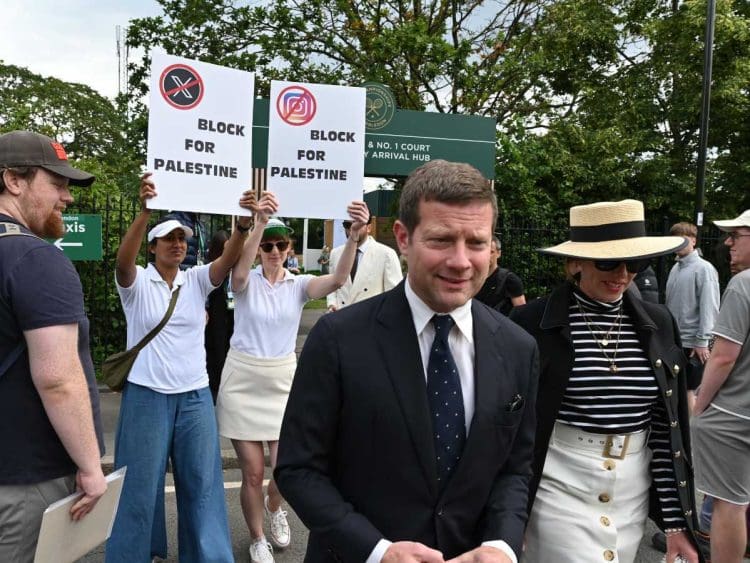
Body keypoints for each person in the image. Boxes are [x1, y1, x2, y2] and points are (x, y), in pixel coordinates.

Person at [276, 159, 539, 562]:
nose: (461, 260)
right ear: (403, 237)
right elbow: (298, 470)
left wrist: (500, 545)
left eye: (476, 242)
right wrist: (378, 551)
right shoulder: (338, 340)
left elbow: (514, 469)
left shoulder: (519, 347)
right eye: (441, 240)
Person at [510, 199, 702, 563]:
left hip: (632, 490)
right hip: (557, 486)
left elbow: (665, 429)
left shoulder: (659, 323)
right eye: (608, 262)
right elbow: (511, 427)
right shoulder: (532, 324)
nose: (623, 275)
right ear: (574, 263)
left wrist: (676, 525)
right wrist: (506, 519)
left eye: (634, 263)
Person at [105, 173, 256, 562]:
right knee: (138, 487)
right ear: (152, 246)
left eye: (182, 239)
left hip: (194, 398)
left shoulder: (195, 281)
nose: (177, 244)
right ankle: (134, 555)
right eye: (168, 238)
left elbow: (226, 261)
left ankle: (208, 557)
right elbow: (123, 261)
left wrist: (240, 227)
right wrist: (144, 213)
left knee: (203, 485)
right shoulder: (136, 282)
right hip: (146, 396)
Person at [216, 193, 369, 563]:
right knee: (251, 472)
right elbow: (236, 272)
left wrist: (352, 237)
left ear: (289, 249)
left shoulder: (298, 285)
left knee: (284, 470)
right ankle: (256, 538)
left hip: (283, 380)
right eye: (267, 245)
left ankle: (274, 506)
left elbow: (338, 280)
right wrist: (261, 222)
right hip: (243, 378)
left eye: (279, 245)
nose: (272, 250)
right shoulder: (245, 281)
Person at [0, 130, 106, 561]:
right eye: (57, 183)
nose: (68, 197)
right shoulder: (37, 260)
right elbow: (58, 379)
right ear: (13, 181)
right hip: (26, 481)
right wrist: (91, 468)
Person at [691, 209, 750, 563]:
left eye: (737, 234)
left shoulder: (744, 283)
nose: (728, 242)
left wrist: (700, 407)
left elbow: (724, 356)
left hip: (735, 414)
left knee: (730, 504)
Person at [666, 222, 720, 413]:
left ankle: (693, 435)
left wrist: (703, 341)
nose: (679, 243)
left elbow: (709, 307)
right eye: (675, 239)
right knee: (677, 390)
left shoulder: (704, 269)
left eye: (684, 239)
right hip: (675, 341)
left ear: (694, 240)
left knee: (689, 391)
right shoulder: (675, 268)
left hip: (693, 344)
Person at [326, 213, 402, 311]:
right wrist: (332, 304)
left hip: (371, 322)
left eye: (358, 225)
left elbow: (394, 296)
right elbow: (332, 286)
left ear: (369, 228)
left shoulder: (386, 254)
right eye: (347, 225)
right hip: (340, 320)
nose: (352, 229)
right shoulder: (335, 253)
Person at [205, 229, 235, 402]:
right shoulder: (211, 272)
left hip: (229, 317)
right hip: (216, 316)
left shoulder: (233, 272)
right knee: (217, 347)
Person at [474, 235, 526, 315]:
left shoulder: (510, 280)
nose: (487, 256)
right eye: (484, 251)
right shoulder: (472, 277)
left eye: (491, 252)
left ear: (499, 253)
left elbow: (521, 314)